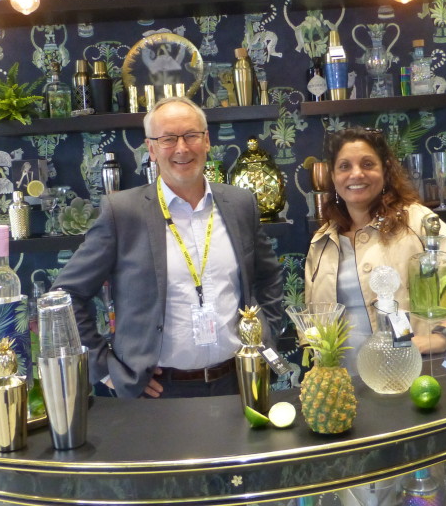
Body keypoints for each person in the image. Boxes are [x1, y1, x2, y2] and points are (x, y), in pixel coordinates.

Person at [51, 96, 284, 399]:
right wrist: (106, 370)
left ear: (207, 141)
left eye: (191, 136)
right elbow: (66, 296)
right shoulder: (121, 213)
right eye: (168, 139)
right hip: (161, 393)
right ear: (151, 149)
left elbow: (269, 278)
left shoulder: (240, 204)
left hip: (237, 383)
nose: (182, 148)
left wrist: (265, 337)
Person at [305, 127, 446, 367]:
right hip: (345, 383)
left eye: (367, 164)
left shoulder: (415, 221)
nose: (356, 174)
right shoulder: (322, 242)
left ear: (384, 171)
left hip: (412, 375)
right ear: (333, 177)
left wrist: (443, 335)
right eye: (344, 166)